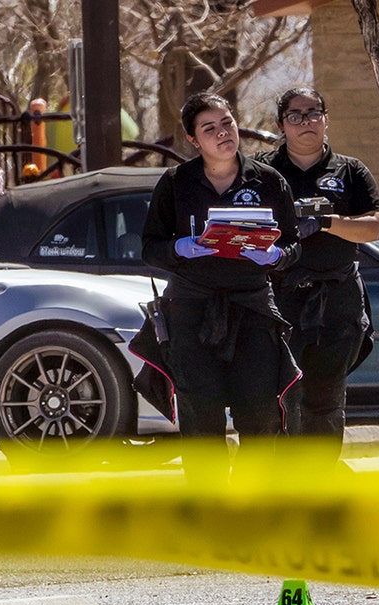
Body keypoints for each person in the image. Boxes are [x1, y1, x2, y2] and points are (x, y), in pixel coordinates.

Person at [140, 91, 301, 486]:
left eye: (227, 123)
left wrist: (276, 256)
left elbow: (293, 245)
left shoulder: (268, 180)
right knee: (200, 415)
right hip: (191, 310)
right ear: (193, 140)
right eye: (209, 128)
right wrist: (180, 248)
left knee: (261, 414)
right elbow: (150, 248)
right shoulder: (176, 183)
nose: (222, 133)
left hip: (252, 308)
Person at [257, 86, 379, 471]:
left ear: (326, 119)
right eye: (295, 116)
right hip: (279, 299)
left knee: (325, 400)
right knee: (281, 398)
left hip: (336, 300)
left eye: (314, 113)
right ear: (281, 124)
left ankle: (321, 482)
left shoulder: (350, 171)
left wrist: (327, 222)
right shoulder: (262, 171)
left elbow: (374, 226)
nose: (306, 122)